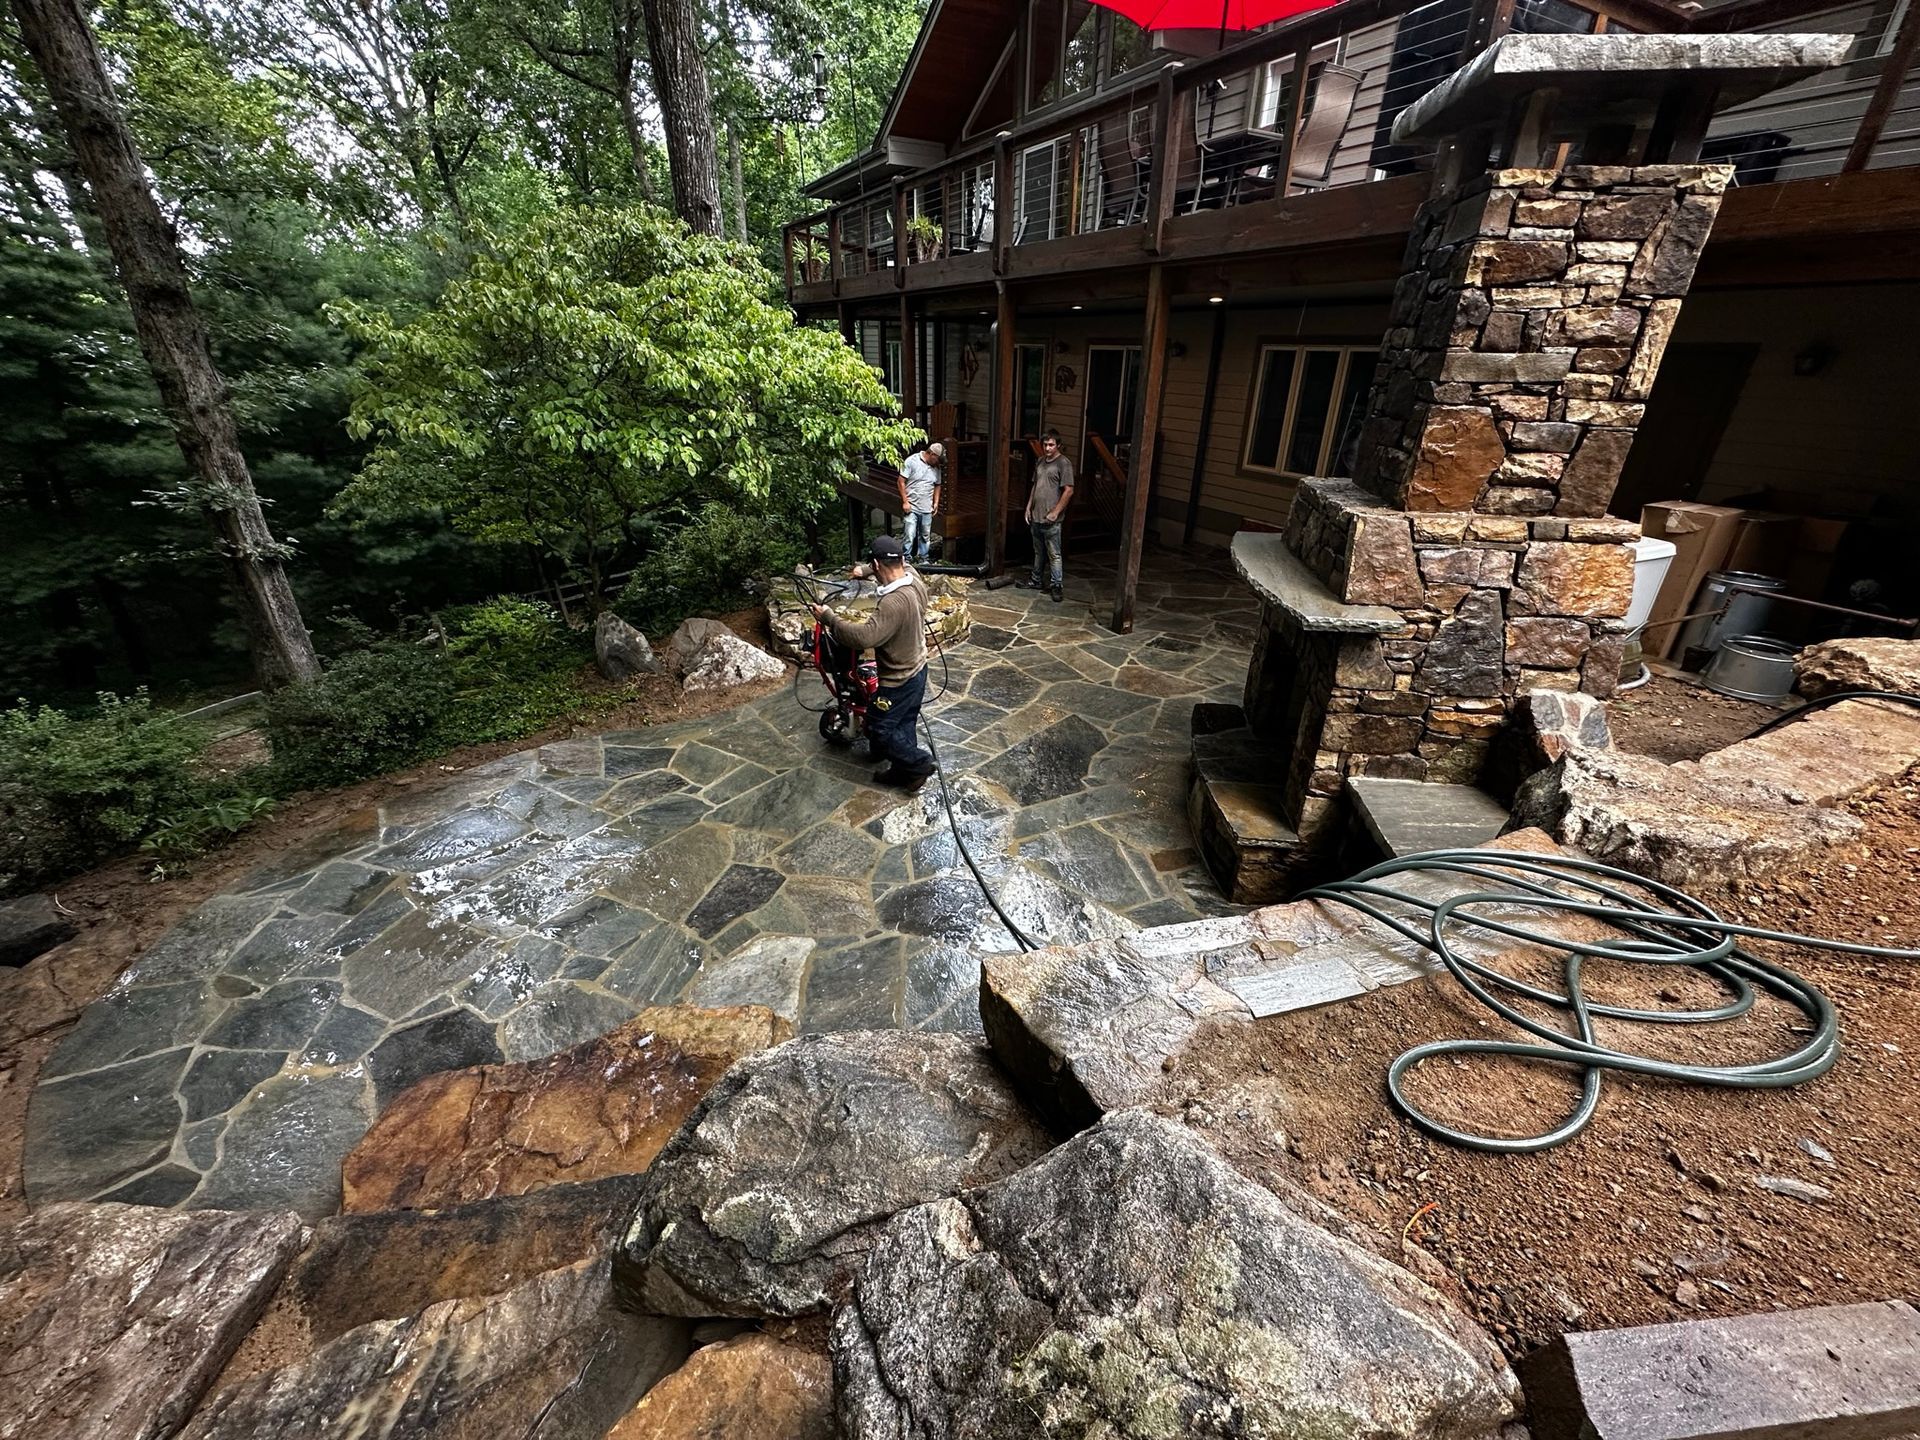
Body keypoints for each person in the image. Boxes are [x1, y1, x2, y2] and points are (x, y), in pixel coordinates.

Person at [809, 534, 936, 792]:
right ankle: (905, 774)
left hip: (897, 681)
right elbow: (890, 565)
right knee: (904, 723)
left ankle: (918, 763)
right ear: (899, 559)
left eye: (873, 567)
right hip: (918, 670)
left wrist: (829, 618)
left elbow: (864, 637)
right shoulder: (913, 579)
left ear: (878, 565)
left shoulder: (893, 603)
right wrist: (863, 570)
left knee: (877, 729)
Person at [1018, 430, 1073, 603]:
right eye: (1045, 445)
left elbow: (1069, 490)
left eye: (1051, 445)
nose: (1048, 448)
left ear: (1058, 445)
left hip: (1052, 518)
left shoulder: (1064, 463)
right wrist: (1028, 507)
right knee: (1038, 551)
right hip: (1037, 515)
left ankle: (1057, 585)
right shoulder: (1040, 461)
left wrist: (1056, 512)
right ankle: (1036, 580)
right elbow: (1035, 486)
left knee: (1054, 554)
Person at [896, 441, 943, 564]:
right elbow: (900, 481)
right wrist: (905, 502)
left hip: (927, 506)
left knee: (925, 535)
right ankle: (906, 558)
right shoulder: (912, 461)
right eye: (937, 458)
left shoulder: (936, 467)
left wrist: (936, 502)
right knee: (909, 535)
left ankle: (924, 558)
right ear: (932, 454)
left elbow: (938, 485)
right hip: (912, 505)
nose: (938, 462)